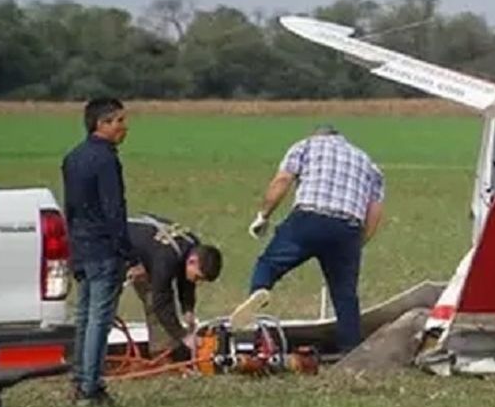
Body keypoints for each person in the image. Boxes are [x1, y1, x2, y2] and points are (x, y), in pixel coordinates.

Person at [234, 125, 386, 352]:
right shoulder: (369, 164)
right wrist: (356, 244)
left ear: (317, 135)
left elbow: (282, 181)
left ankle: (260, 298)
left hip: (309, 219)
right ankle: (350, 350)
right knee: (345, 295)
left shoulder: (305, 146)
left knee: (268, 264)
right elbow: (374, 213)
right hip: (347, 229)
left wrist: (263, 216)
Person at [60, 97, 134, 407]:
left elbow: (71, 208)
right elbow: (113, 209)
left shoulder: (72, 157)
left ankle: (79, 380)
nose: (124, 127)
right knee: (99, 321)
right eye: (118, 121)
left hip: (80, 245)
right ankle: (91, 387)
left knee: (84, 316)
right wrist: (127, 252)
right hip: (103, 248)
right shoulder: (106, 160)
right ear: (100, 124)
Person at [126, 213, 223, 360]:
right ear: (193, 261)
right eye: (198, 277)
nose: (198, 282)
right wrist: (183, 336)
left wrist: (188, 309)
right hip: (110, 245)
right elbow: (161, 303)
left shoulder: (192, 245)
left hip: (141, 243)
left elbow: (186, 279)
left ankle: (164, 349)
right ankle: (162, 354)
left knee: (157, 297)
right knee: (153, 299)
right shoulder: (166, 259)